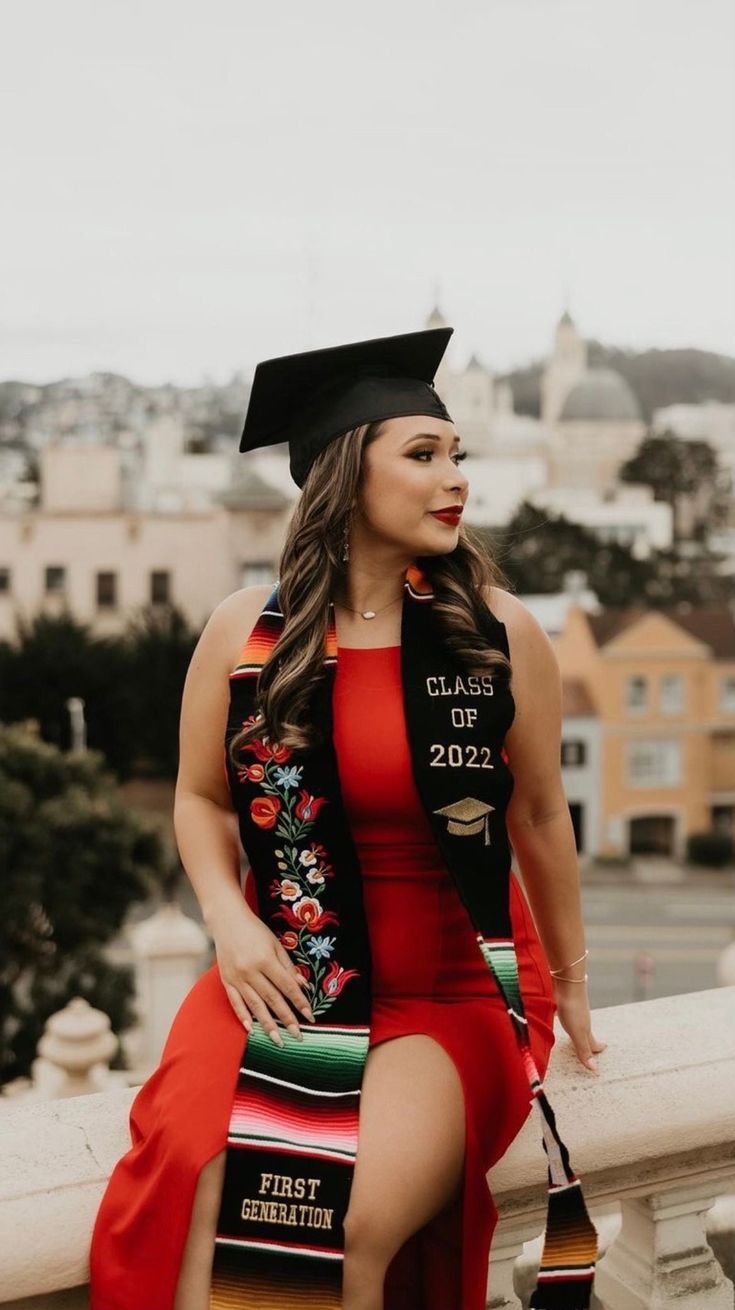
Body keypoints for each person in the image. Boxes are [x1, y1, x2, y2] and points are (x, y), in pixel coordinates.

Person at [89, 327, 606, 1310]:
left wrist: (573, 983)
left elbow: (539, 813)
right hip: (291, 970)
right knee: (204, 1187)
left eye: (457, 454)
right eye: (422, 455)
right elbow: (199, 798)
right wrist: (230, 923)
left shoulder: (496, 634)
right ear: (343, 475)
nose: (454, 477)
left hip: (450, 993)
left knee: (335, 1224)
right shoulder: (247, 632)